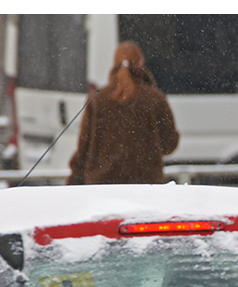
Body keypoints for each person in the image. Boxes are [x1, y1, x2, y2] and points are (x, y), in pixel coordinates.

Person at [68, 41, 179, 185]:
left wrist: (72, 184)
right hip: (146, 184)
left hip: (102, 185)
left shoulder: (97, 99)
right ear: (140, 63)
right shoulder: (155, 98)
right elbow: (169, 144)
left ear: (114, 64)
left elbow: (84, 149)